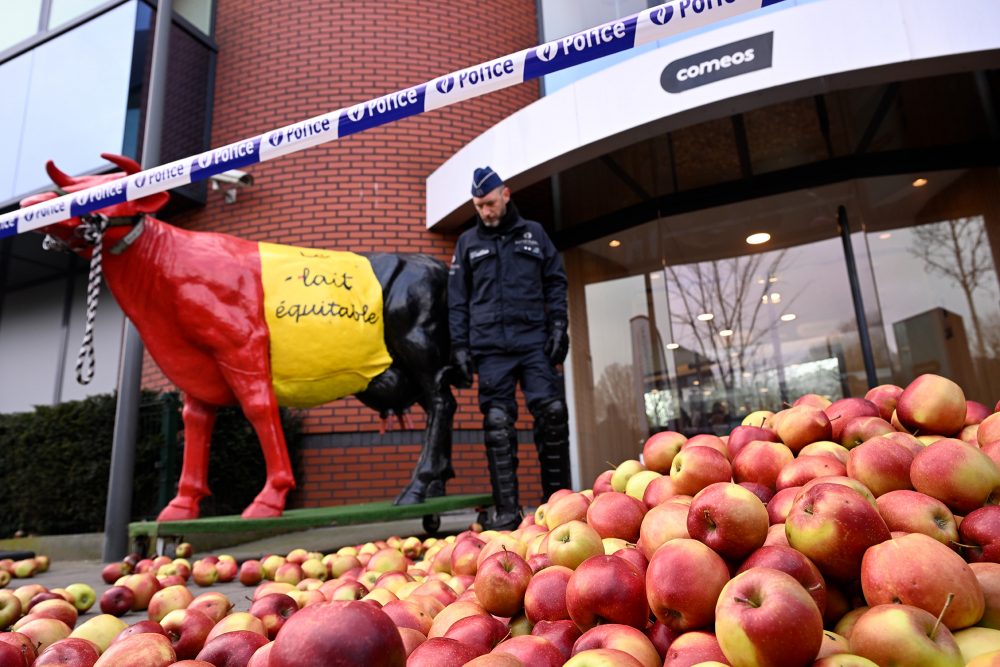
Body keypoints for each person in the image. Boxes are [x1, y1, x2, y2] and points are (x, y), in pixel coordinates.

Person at [448, 166, 571, 530]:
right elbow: (457, 300)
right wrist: (459, 346)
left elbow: (555, 281)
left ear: (506, 194)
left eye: (488, 203)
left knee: (551, 413)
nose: (484, 211)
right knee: (498, 423)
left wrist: (559, 326)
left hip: (533, 341)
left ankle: (560, 508)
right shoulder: (467, 243)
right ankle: (506, 513)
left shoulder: (534, 234)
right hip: (491, 349)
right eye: (478, 206)